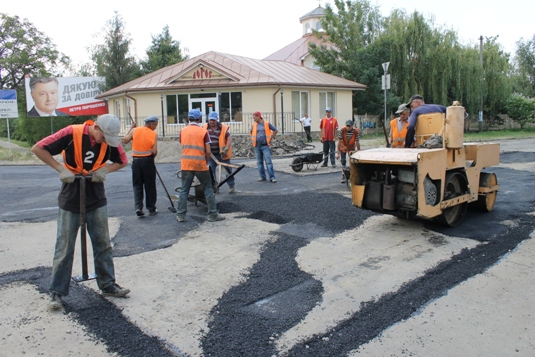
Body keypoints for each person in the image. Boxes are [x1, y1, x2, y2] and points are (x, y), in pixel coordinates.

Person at [30, 114, 130, 311]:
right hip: (71, 196)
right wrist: (60, 169)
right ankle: (56, 292)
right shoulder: (71, 133)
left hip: (96, 196)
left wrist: (105, 171)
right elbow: (38, 148)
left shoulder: (108, 140)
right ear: (96, 127)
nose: (105, 142)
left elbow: (123, 160)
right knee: (65, 246)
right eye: (103, 137)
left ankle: (108, 284)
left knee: (102, 243)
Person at [176, 109, 225, 222]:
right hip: (200, 164)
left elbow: (182, 145)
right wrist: (206, 161)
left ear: (189, 118)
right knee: (208, 188)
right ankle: (213, 214)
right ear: (199, 119)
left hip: (186, 164)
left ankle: (181, 215)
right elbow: (208, 151)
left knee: (184, 190)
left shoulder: (183, 131)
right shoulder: (203, 132)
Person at [122, 115, 159, 217]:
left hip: (136, 162)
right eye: (155, 124)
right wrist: (152, 156)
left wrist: (131, 128)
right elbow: (154, 151)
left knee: (137, 185)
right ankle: (151, 208)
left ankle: (138, 207)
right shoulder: (153, 134)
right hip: (148, 161)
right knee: (150, 186)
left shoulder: (135, 130)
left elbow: (125, 140)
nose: (156, 126)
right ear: (151, 124)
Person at [203, 112, 235, 193]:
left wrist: (226, 148)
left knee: (228, 170)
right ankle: (215, 187)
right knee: (211, 171)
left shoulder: (222, 128)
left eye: (213, 120)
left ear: (217, 119)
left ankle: (231, 186)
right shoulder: (205, 127)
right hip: (211, 154)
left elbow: (229, 138)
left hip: (222, 154)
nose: (211, 122)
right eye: (210, 120)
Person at [250, 111, 278, 183]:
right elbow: (251, 133)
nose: (253, 118)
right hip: (257, 146)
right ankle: (262, 177)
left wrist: (271, 138)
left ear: (259, 116)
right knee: (259, 162)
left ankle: (272, 177)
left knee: (268, 162)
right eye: (253, 117)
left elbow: (275, 130)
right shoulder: (254, 125)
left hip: (265, 145)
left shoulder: (266, 123)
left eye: (254, 117)